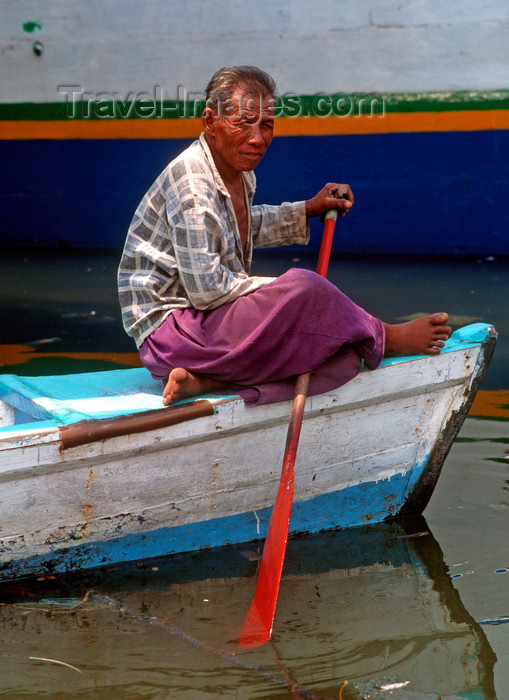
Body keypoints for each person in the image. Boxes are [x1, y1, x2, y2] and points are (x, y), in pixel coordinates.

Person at [118, 65, 451, 407]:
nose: (258, 138)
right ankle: (387, 336)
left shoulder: (235, 171)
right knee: (308, 290)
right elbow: (207, 291)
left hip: (208, 329)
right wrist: (293, 297)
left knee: (341, 356)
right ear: (210, 122)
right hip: (174, 335)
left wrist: (308, 208)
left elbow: (240, 229)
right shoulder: (192, 185)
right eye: (243, 123)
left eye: (266, 125)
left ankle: (208, 381)